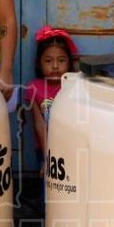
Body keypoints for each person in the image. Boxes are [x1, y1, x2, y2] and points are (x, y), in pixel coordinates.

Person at [24, 26, 76, 158]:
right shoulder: (34, 88)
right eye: (48, 61)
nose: (55, 66)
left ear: (69, 63)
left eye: (61, 60)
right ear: (39, 64)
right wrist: (48, 156)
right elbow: (39, 124)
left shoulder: (74, 87)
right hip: (45, 148)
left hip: (71, 149)